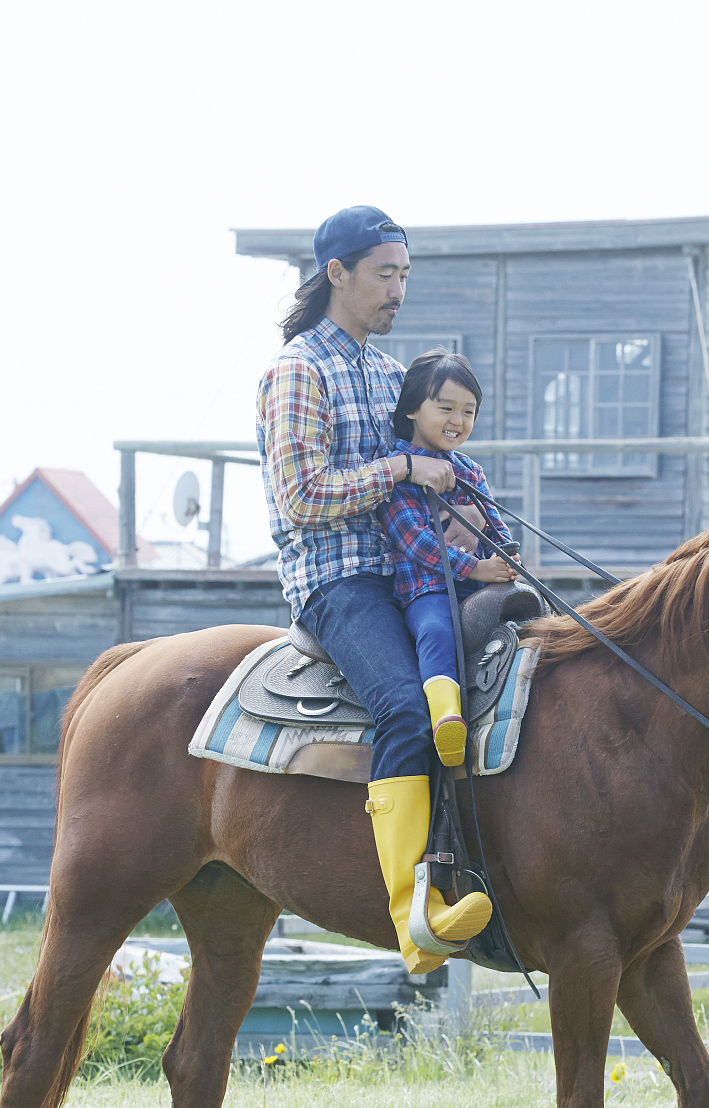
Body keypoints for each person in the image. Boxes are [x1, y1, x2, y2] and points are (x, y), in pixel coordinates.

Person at [255, 205, 491, 973]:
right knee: (404, 706)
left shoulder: (396, 376)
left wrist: (473, 529)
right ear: (338, 274)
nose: (398, 289)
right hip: (339, 580)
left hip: (415, 571)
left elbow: (437, 466)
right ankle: (412, 912)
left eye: (404, 275)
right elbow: (301, 498)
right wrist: (400, 469)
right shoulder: (299, 371)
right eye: (385, 274)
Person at [378, 350, 517, 768]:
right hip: (428, 588)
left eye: (469, 411)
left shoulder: (470, 470)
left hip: (478, 583)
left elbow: (496, 524)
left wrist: (505, 556)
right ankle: (446, 719)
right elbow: (414, 541)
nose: (458, 420)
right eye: (446, 408)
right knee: (436, 630)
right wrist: (474, 566)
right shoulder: (396, 471)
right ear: (413, 411)